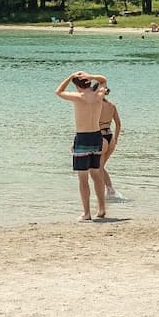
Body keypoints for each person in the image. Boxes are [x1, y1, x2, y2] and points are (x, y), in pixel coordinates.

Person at [55, 71, 111, 221]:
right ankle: (101, 209)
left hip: (83, 138)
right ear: (87, 83)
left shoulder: (79, 98)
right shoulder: (99, 96)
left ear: (78, 87)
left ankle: (86, 213)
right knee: (96, 175)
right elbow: (104, 79)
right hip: (96, 136)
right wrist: (91, 76)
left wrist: (69, 76)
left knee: (83, 178)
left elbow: (58, 91)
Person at [97, 86, 124, 200]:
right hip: (110, 137)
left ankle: (109, 190)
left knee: (99, 167)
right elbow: (118, 124)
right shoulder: (112, 105)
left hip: (101, 137)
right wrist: (116, 138)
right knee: (101, 167)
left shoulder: (96, 106)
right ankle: (110, 191)